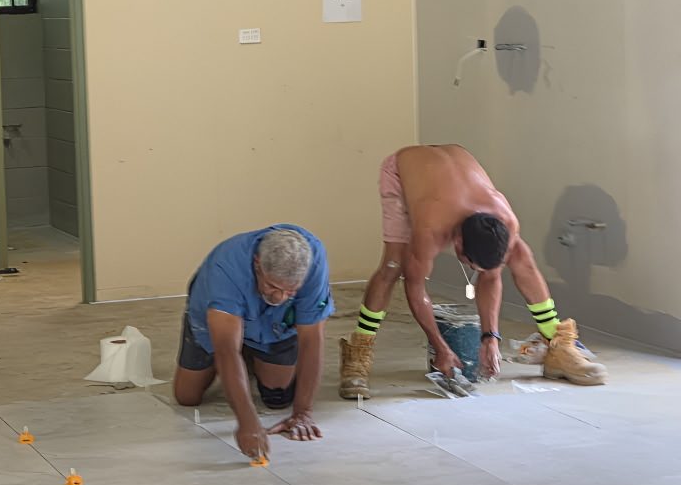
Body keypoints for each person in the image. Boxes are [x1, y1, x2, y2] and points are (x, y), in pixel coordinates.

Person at [340, 144, 607, 399]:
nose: (472, 270)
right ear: (456, 242)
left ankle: (558, 346)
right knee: (393, 265)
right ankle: (358, 352)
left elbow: (490, 276)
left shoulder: (506, 220)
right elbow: (414, 285)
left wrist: (491, 338)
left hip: (454, 170)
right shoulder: (431, 228)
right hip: (403, 170)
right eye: (470, 264)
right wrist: (440, 347)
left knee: (523, 258)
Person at [173, 225, 334, 460]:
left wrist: (303, 413)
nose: (279, 297)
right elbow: (227, 351)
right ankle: (244, 355)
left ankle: (251, 357)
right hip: (217, 320)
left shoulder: (314, 262)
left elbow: (312, 340)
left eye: (290, 292)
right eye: (272, 286)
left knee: (278, 398)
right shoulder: (226, 268)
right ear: (257, 264)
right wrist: (248, 422)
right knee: (187, 397)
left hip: (274, 325)